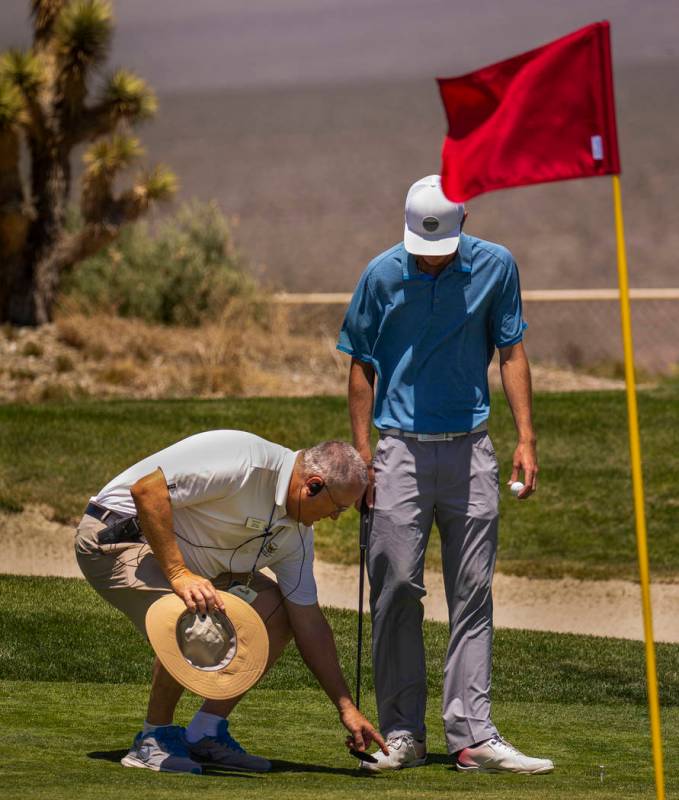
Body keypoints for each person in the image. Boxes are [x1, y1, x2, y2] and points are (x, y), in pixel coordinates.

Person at [336, 175, 554, 774]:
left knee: (473, 592)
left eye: (442, 247)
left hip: (472, 450)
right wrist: (362, 458)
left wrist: (526, 438)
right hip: (399, 452)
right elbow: (361, 366)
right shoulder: (381, 274)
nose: (431, 259)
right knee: (397, 587)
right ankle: (403, 732)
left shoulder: (496, 267)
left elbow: (511, 352)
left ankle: (473, 735)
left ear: (462, 227)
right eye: (422, 249)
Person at [75, 430, 387, 775]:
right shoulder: (246, 463)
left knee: (279, 611)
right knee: (196, 613)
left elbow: (308, 621)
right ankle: (153, 738)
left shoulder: (297, 535)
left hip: (193, 565)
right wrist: (179, 574)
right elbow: (147, 492)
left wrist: (346, 707)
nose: (335, 517)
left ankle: (205, 732)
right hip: (116, 538)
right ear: (312, 486)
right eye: (338, 507)